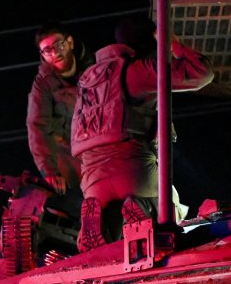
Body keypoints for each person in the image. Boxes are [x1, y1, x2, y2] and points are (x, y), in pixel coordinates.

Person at [71, 18, 214, 251]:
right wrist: (172, 43)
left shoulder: (85, 83)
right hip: (133, 169)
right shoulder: (134, 70)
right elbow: (200, 72)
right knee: (173, 209)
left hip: (92, 181)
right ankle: (144, 209)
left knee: (110, 238)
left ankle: (100, 226)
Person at [27, 22, 94, 200]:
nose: (54, 53)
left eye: (58, 45)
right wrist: (49, 171)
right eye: (47, 50)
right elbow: (38, 127)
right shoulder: (43, 84)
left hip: (102, 145)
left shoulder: (95, 67)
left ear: (70, 42)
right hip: (71, 153)